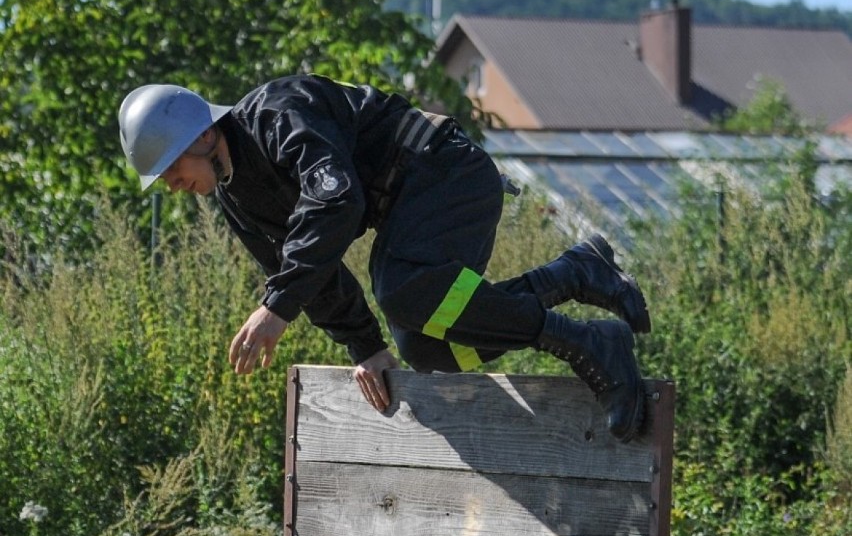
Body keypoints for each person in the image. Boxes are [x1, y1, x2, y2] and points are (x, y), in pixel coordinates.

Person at [118, 76, 651, 441]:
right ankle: (574, 273)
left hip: (447, 171)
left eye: (171, 167)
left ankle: (587, 342)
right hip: (409, 207)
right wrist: (366, 346)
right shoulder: (233, 196)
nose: (171, 184)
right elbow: (310, 271)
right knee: (430, 349)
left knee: (401, 288)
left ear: (206, 134)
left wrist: (276, 308)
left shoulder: (279, 112)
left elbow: (335, 200)